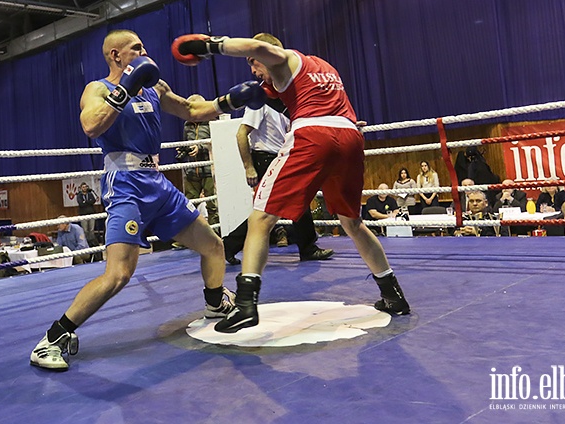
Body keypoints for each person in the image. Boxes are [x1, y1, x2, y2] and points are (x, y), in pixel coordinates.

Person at [30, 29, 261, 370]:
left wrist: (230, 101)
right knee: (119, 274)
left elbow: (191, 111)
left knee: (214, 246)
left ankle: (215, 303)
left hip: (157, 182)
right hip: (125, 183)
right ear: (116, 56)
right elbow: (91, 125)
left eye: (143, 44)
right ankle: (53, 338)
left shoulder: (155, 87)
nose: (144, 51)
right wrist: (126, 87)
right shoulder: (98, 88)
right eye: (136, 47)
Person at [172, 32, 410, 333]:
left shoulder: (285, 59)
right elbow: (302, 103)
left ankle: (246, 305)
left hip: (314, 136)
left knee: (260, 218)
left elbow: (259, 47)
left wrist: (210, 46)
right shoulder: (320, 67)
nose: (253, 70)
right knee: (352, 222)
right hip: (350, 136)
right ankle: (393, 295)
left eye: (252, 64)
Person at [223, 100, 334, 265]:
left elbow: (313, 117)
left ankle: (227, 246)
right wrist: (249, 167)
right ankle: (227, 246)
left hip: (279, 157)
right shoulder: (259, 102)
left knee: (287, 204)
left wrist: (347, 124)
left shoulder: (284, 104)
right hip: (265, 158)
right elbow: (241, 133)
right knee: (273, 209)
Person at [181, 98, 219, 225]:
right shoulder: (187, 125)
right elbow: (186, 142)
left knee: (212, 205)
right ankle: (185, 238)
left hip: (208, 169)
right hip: (192, 170)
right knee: (188, 205)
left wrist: (200, 147)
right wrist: (184, 149)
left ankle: (216, 235)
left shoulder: (212, 122)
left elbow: (216, 143)